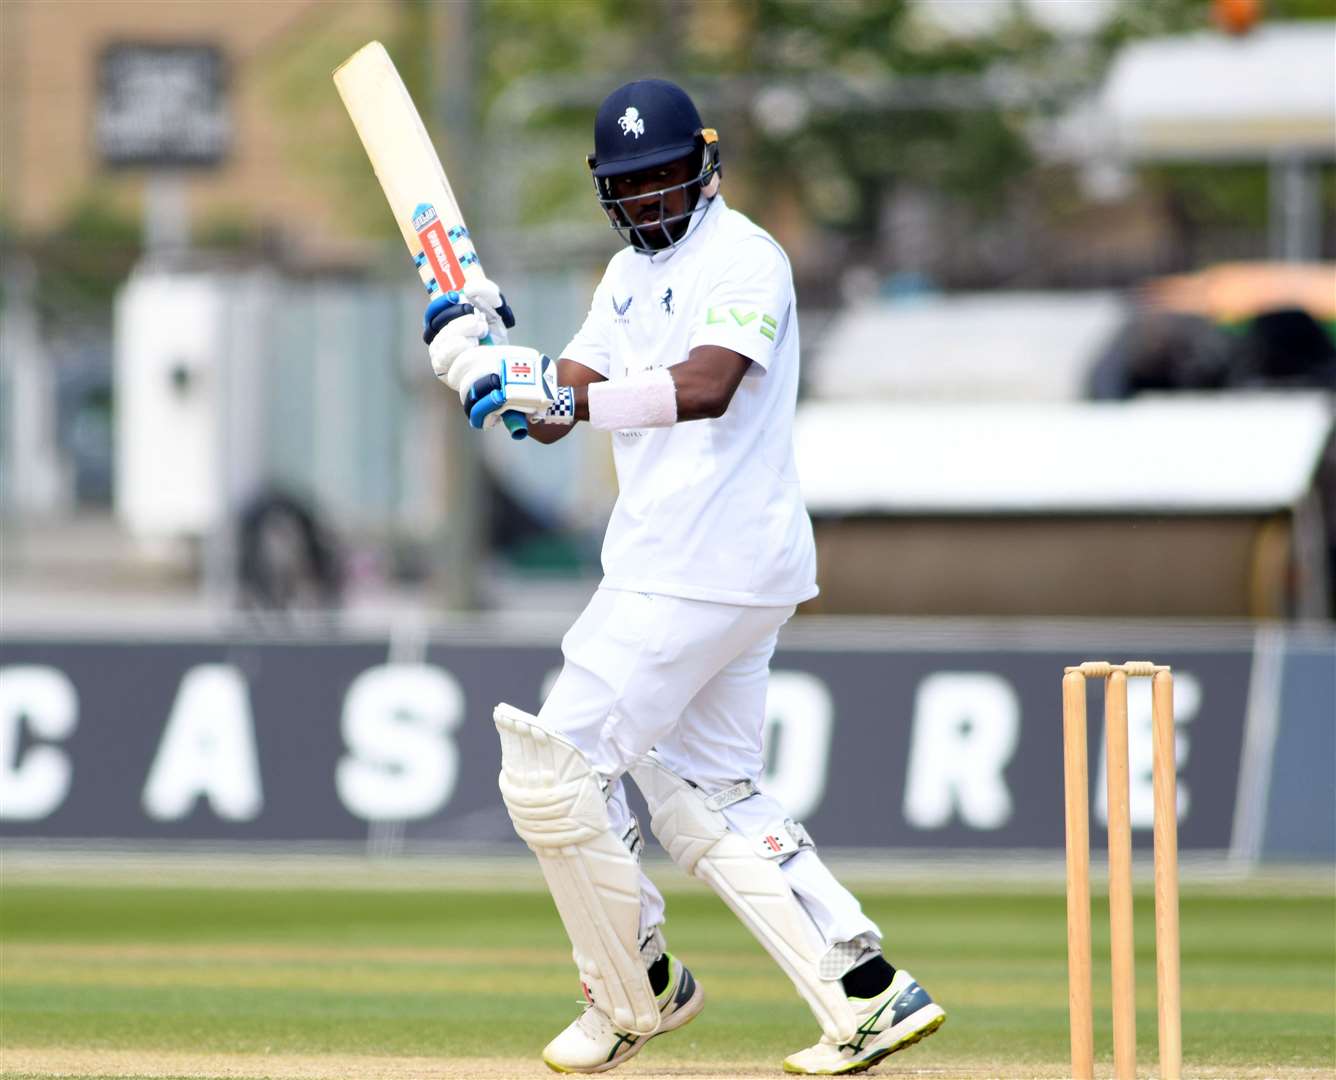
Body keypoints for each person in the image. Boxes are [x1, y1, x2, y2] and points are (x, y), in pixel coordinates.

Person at [423, 78, 945, 1076]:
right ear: (605, 190)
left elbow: (706, 387)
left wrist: (552, 396)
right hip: (698, 567)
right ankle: (865, 991)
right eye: (631, 182)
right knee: (702, 789)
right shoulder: (622, 279)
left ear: (703, 167)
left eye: (666, 173)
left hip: (701, 565)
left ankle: (636, 990)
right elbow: (552, 404)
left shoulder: (746, 257)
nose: (651, 196)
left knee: (551, 770)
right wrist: (478, 351)